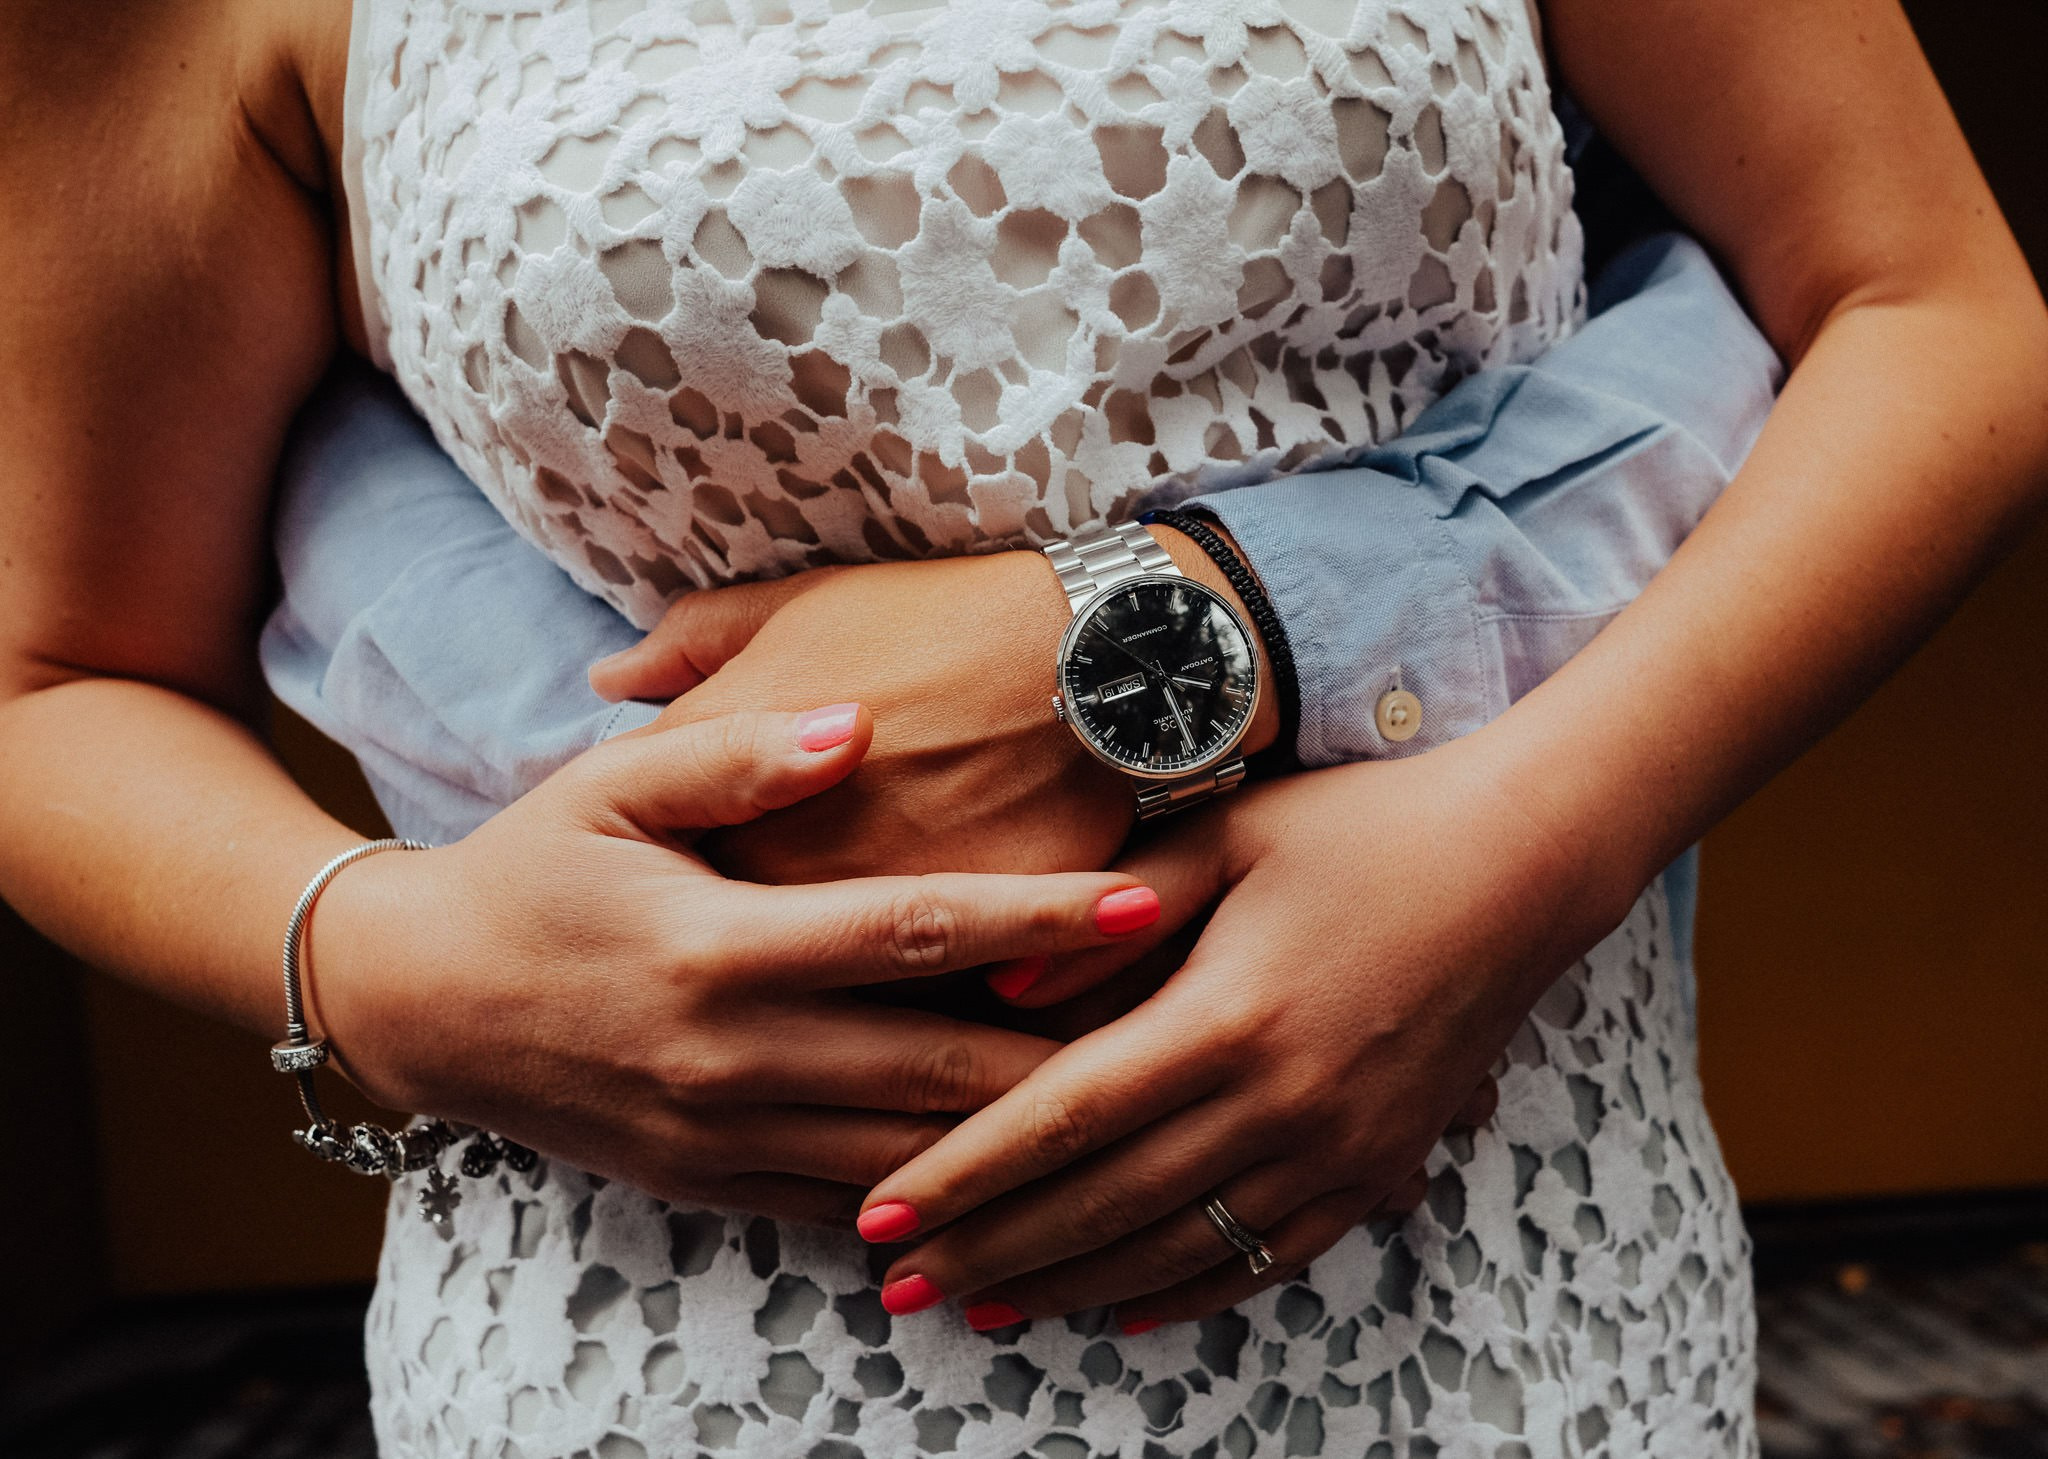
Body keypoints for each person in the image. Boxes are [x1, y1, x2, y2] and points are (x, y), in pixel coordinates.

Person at [1, 0, 2043, 1454]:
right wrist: (380, 962)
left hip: (1493, 1275)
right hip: (679, 1342)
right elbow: (54, 669)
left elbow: (1928, 301)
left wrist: (1522, 846)